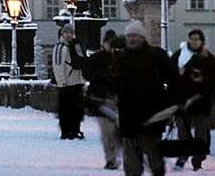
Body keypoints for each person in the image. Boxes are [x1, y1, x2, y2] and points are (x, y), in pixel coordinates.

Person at [115, 21, 177, 176]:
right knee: (131, 165)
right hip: (128, 117)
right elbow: (115, 84)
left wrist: (170, 105)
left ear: (142, 37)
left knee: (154, 158)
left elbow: (173, 80)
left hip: (152, 116)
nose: (131, 39)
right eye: (129, 36)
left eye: (135, 35)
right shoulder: (121, 57)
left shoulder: (157, 55)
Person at [170, 29, 215, 171]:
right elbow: (170, 76)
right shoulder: (179, 55)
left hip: (201, 101)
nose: (194, 41)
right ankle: (183, 156)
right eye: (192, 38)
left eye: (197, 39)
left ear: (202, 42)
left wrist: (203, 79)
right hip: (182, 100)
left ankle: (198, 159)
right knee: (183, 132)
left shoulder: (208, 58)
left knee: (201, 133)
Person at [84, 30, 122, 170]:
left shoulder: (120, 59)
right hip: (100, 100)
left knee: (116, 132)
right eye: (109, 43)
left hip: (116, 100)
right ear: (104, 43)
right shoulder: (96, 59)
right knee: (107, 132)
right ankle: (111, 159)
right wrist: (102, 77)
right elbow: (87, 74)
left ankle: (116, 156)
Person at [53, 23, 86, 139]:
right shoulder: (60, 47)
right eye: (66, 33)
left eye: (71, 33)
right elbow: (57, 65)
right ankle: (66, 131)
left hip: (76, 82)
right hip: (66, 83)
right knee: (65, 110)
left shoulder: (75, 46)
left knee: (77, 109)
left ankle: (75, 129)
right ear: (62, 34)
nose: (69, 35)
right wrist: (62, 82)